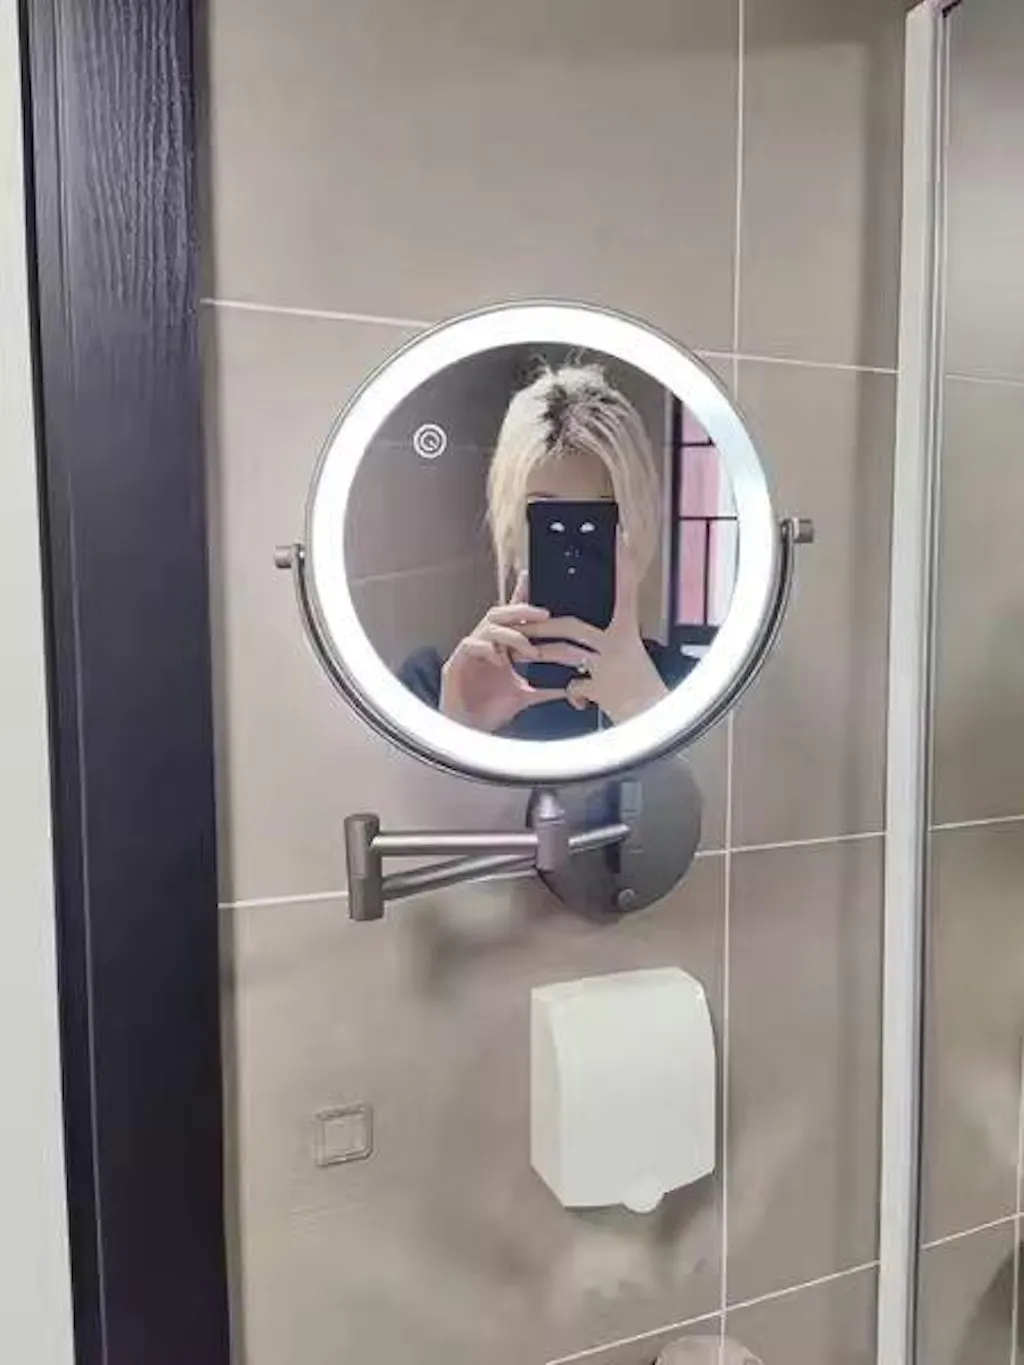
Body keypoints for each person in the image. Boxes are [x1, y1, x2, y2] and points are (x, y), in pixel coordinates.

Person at [399, 362, 695, 739]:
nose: (573, 551)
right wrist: (459, 733)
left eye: (596, 523)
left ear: (638, 524)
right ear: (511, 526)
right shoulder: (433, 689)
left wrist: (645, 709)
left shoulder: (693, 689)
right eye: (549, 523)